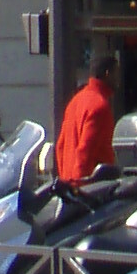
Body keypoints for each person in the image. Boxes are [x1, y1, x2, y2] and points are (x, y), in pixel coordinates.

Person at [55, 54, 119, 184]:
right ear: (108, 74)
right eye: (116, 73)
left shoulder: (75, 101)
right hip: (91, 189)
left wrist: (66, 182)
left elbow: (60, 146)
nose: (118, 79)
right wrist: (79, 187)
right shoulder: (99, 105)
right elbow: (85, 151)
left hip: (69, 184)